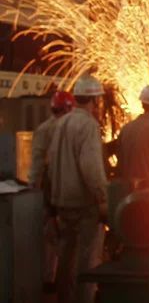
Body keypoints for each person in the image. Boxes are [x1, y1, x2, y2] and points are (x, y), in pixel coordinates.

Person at [48, 75, 108, 303]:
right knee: (87, 261)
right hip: (84, 205)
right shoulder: (88, 125)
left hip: (62, 203)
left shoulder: (61, 123)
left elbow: (51, 163)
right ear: (95, 100)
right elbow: (90, 167)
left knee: (65, 258)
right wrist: (103, 197)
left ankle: (63, 299)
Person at [28, 90, 75, 290]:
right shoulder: (71, 128)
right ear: (69, 108)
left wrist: (33, 187)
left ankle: (49, 278)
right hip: (67, 188)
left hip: (50, 188)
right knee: (65, 237)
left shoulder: (43, 129)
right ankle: (63, 280)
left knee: (50, 234)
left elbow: (37, 162)